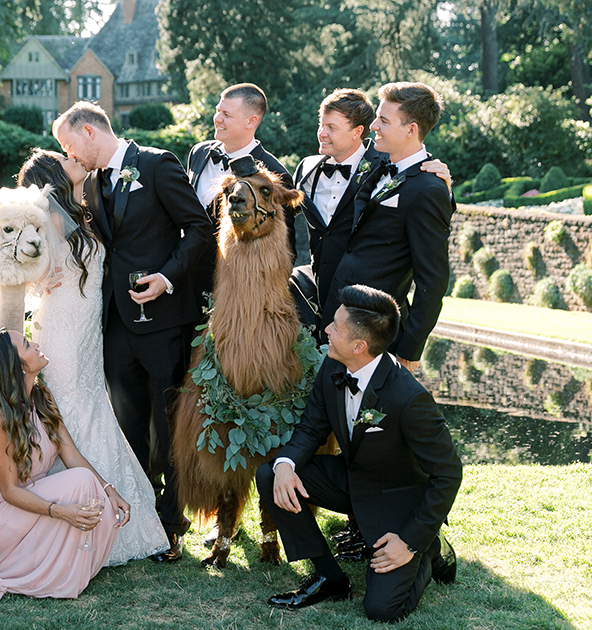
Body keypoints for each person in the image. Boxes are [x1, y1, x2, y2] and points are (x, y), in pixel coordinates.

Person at [53, 101, 212, 562]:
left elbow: (197, 229)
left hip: (163, 320)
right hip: (116, 322)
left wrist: (166, 277)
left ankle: (171, 522)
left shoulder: (157, 164)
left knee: (168, 422)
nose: (69, 155)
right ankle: (140, 516)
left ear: (88, 131)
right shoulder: (93, 182)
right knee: (126, 423)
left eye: (68, 145)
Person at [256, 285, 462, 622]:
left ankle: (430, 549)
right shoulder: (333, 367)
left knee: (381, 609)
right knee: (270, 475)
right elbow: (310, 429)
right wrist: (285, 464)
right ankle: (328, 576)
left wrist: (410, 542)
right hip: (351, 480)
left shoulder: (410, 399)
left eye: (335, 326)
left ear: (359, 345)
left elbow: (448, 474)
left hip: (396, 502)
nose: (326, 329)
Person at [17, 149, 169, 565]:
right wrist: (37, 280)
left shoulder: (83, 210)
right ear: (53, 176)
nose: (75, 160)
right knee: (69, 407)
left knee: (92, 405)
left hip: (88, 330)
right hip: (62, 328)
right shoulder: (44, 217)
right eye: (65, 159)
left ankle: (108, 511)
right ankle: (74, 516)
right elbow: (21, 268)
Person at [0, 329, 129, 601]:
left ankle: (60, 569)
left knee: (93, 491)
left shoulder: (41, 395)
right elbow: (9, 491)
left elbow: (72, 455)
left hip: (31, 499)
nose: (36, 344)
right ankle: (27, 568)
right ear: (16, 366)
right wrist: (59, 511)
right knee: (80, 483)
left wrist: (110, 490)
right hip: (0, 515)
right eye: (27, 344)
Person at [293, 88, 453, 342]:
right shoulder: (379, 167)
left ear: (410, 129)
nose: (374, 125)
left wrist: (410, 350)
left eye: (384, 121)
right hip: (332, 317)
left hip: (373, 329)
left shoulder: (427, 186)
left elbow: (432, 280)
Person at [186, 83, 297, 303]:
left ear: (251, 121)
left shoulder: (275, 175)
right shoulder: (198, 153)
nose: (217, 118)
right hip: (187, 286)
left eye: (226, 114)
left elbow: (285, 248)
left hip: (238, 292)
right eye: (218, 111)